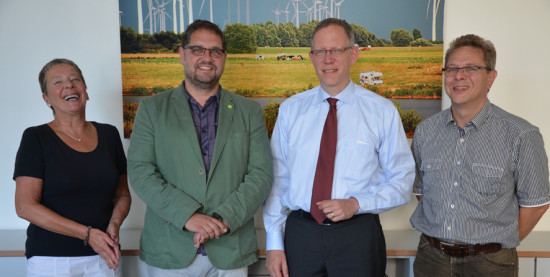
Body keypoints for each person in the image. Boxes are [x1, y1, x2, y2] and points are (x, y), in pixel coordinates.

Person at [263, 18, 415, 277]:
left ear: (353, 54)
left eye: (337, 50)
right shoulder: (290, 110)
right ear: (311, 57)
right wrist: (274, 243)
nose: (328, 59)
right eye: (320, 51)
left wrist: (356, 203)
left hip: (357, 236)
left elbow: (402, 181)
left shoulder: (382, 112)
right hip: (301, 235)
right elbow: (278, 180)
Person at [127, 20, 273, 276]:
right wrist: (188, 216)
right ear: (182, 54)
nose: (207, 57)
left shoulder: (248, 111)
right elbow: (141, 172)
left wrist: (223, 220)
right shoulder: (152, 109)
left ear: (224, 57)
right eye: (198, 49)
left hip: (231, 250)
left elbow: (261, 174)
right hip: (169, 250)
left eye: (215, 51)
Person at [410, 34, 550, 276]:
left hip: (490, 264)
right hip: (431, 259)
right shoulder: (425, 131)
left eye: (471, 68)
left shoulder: (521, 135)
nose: (459, 76)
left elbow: (536, 204)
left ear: (491, 78)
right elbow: (422, 193)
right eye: (452, 68)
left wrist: (495, 242)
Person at [14, 58, 131, 276]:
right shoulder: (36, 137)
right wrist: (88, 235)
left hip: (105, 256)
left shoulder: (109, 134)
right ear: (46, 99)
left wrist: (115, 223)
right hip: (52, 260)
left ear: (85, 91)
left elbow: (122, 194)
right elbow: (25, 206)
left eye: (75, 79)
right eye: (58, 82)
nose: (69, 85)